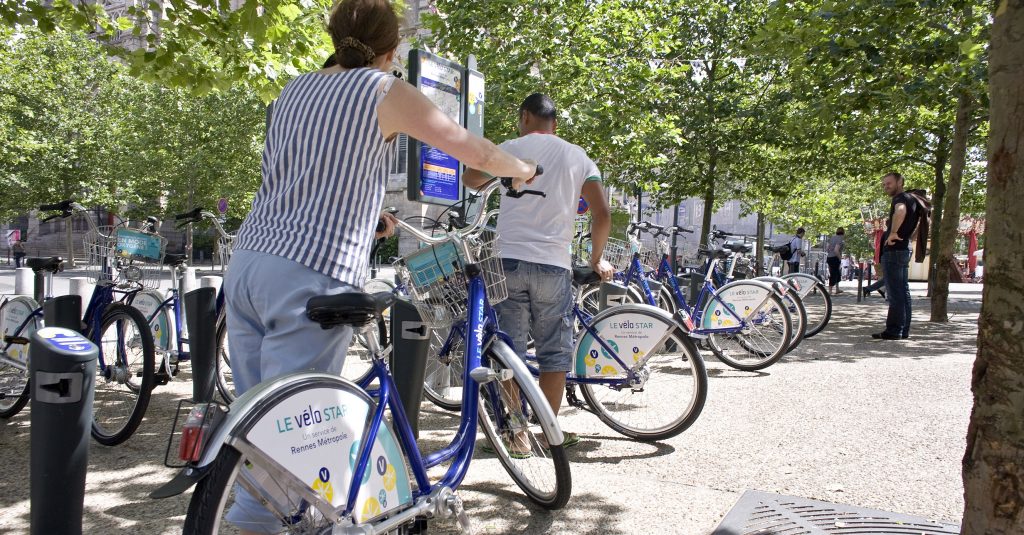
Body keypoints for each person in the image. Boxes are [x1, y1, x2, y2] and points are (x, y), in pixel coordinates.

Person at [223, 1, 539, 532]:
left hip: (250, 263)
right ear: (392, 50)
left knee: (254, 423)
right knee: (292, 432)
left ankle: (252, 514)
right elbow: (475, 152)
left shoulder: (290, 92)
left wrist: (373, 218)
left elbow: (299, 181)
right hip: (310, 269)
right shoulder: (382, 91)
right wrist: (523, 167)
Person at [464, 93, 614, 451]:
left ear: (525, 117)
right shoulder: (577, 156)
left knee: (508, 352)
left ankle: (517, 435)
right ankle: (549, 433)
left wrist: (500, 174)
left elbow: (472, 177)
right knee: (554, 354)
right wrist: (595, 258)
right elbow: (602, 213)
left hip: (509, 261)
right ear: (555, 124)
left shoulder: (511, 146)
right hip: (554, 264)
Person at [872, 172, 918, 340]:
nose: (886, 187)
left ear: (900, 182)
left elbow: (900, 211)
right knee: (903, 291)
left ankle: (894, 330)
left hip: (894, 250)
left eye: (889, 183)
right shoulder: (913, 199)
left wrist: (892, 233)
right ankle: (903, 329)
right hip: (903, 248)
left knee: (895, 292)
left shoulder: (900, 199)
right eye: (884, 184)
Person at [826, 227, 845, 294]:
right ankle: (830, 290)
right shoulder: (840, 239)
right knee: (834, 274)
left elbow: (827, 248)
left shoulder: (832, 238)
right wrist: (840, 258)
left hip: (829, 257)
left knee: (837, 273)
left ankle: (837, 289)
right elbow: (836, 250)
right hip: (835, 258)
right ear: (843, 232)